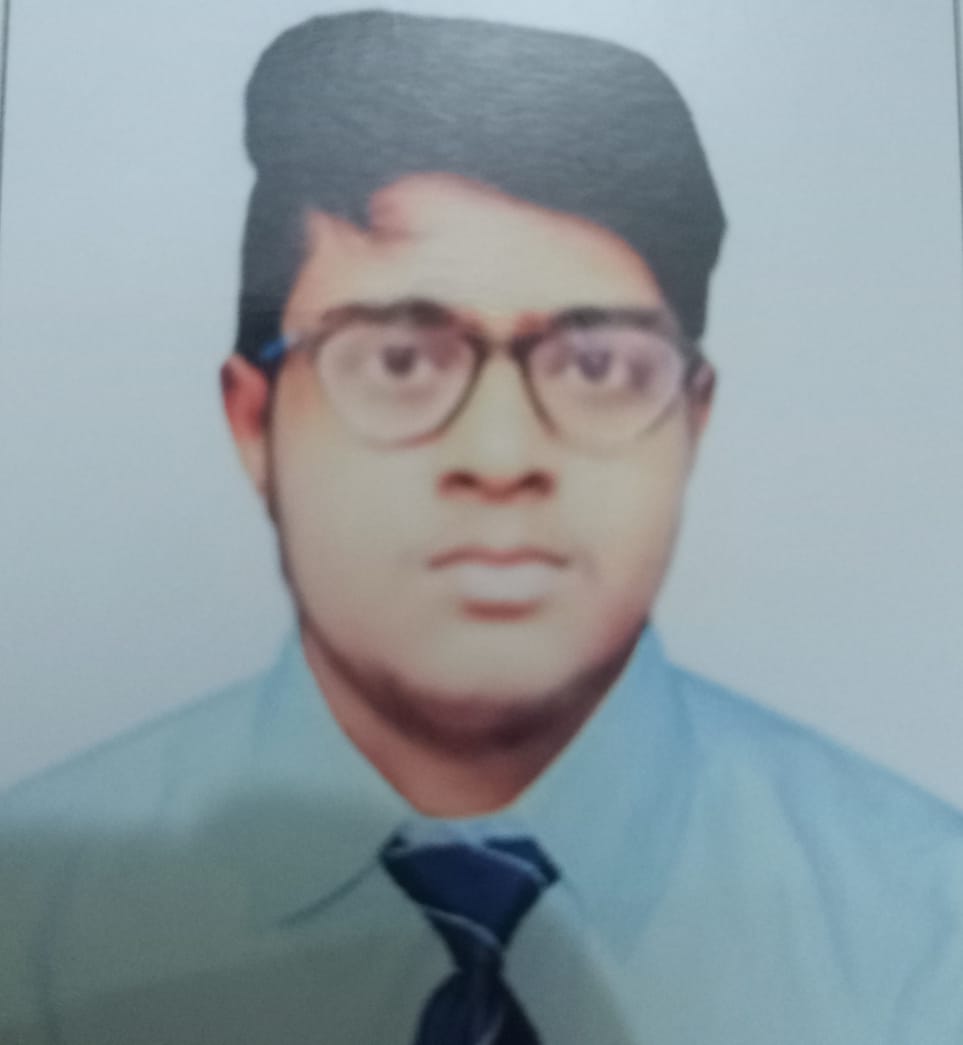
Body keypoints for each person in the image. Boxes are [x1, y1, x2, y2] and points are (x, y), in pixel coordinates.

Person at [2, 10, 962, 1044]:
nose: (501, 457)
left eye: (596, 363)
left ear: (692, 420)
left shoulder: (925, 924)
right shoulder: (35, 918)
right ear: (253, 423)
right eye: (399, 358)